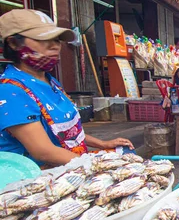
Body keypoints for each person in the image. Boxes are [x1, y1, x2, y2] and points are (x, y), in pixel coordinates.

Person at [0, 9, 133, 167]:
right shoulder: (10, 90)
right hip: (44, 175)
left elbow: (67, 134)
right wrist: (96, 165)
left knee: (126, 152)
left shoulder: (51, 81)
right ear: (14, 43)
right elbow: (43, 151)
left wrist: (103, 144)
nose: (54, 46)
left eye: (56, 40)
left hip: (74, 161)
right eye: (43, 39)